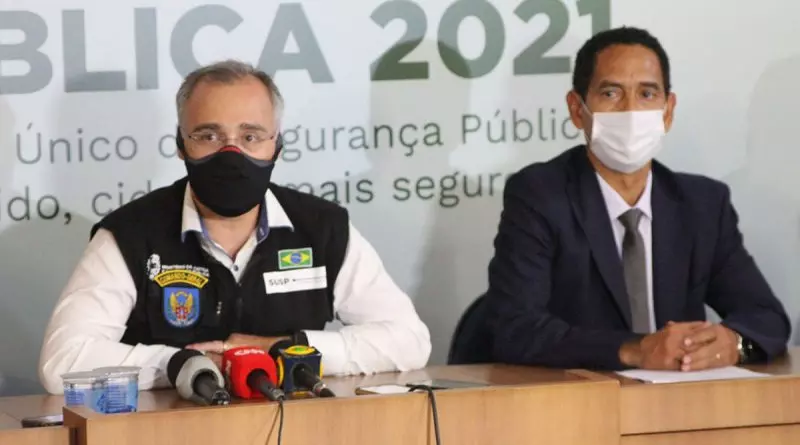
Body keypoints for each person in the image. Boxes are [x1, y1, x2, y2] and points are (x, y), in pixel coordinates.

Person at [38, 60, 431, 394]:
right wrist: (181, 364)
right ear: (181, 144)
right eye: (209, 136)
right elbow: (62, 362)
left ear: (277, 145)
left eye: (250, 136)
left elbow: (409, 340)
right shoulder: (129, 236)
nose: (231, 153)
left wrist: (284, 349)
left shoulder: (321, 228)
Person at [484, 27, 790, 371]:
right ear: (576, 109)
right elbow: (515, 328)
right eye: (611, 93)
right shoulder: (540, 195)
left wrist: (733, 344)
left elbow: (766, 317)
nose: (630, 110)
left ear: (668, 111)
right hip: (581, 395)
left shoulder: (702, 205)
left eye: (647, 94)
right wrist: (635, 350)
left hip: (679, 397)